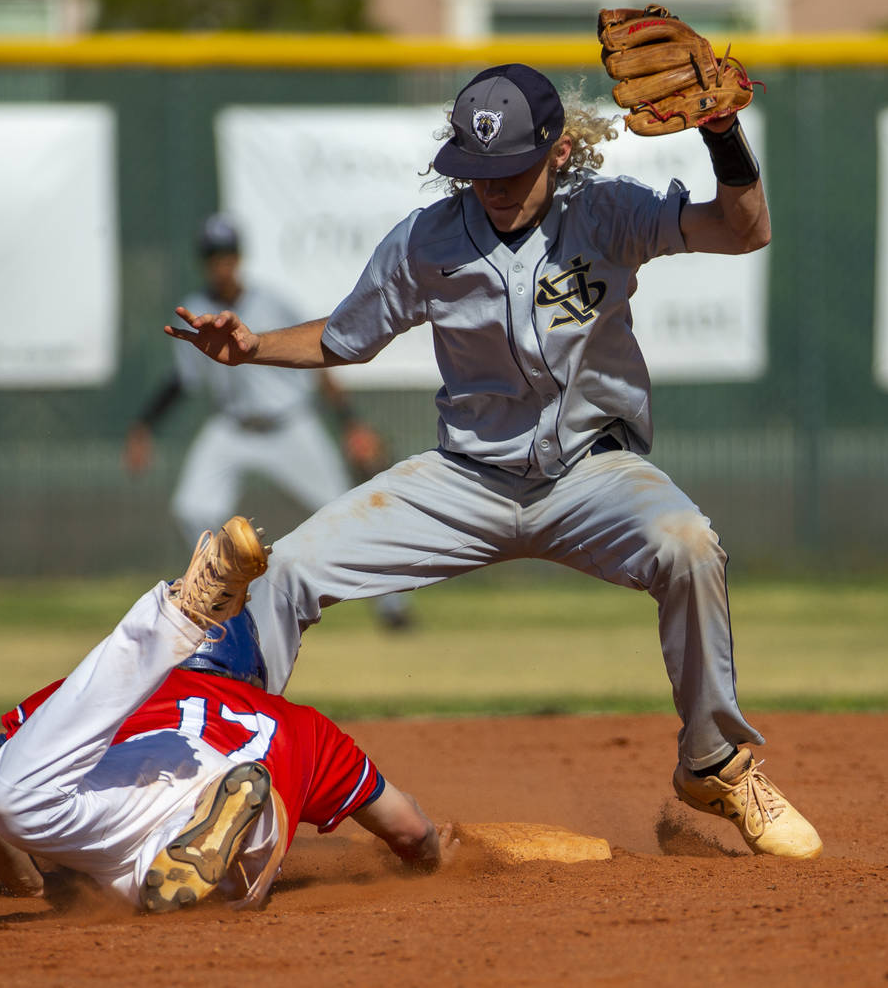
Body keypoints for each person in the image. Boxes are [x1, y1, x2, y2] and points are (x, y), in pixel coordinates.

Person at [163, 62, 823, 860]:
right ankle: (212, 772)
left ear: (557, 150)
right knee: (287, 570)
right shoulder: (429, 240)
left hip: (593, 475)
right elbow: (347, 338)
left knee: (687, 545)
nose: (493, 187)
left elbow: (743, 228)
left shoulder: (606, 214)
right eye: (477, 172)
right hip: (465, 481)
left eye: (510, 168)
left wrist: (724, 136)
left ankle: (713, 762)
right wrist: (253, 348)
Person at [0, 517, 453, 913]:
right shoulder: (301, 725)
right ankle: (244, 829)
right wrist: (432, 857)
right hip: (226, 775)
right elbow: (407, 829)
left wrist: (35, 891)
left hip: (119, 796)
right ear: (251, 669)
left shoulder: (129, 691)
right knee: (217, 862)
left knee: (7, 796)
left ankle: (175, 618)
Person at [125, 213, 412, 630]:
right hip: (232, 428)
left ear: (239, 258)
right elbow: (182, 380)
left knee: (343, 512)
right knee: (193, 508)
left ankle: (393, 609)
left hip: (290, 425)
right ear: (203, 261)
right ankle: (221, 606)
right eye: (212, 256)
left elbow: (322, 359)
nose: (220, 264)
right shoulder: (198, 308)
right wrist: (144, 426)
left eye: (226, 255)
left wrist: (351, 423)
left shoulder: (271, 302)